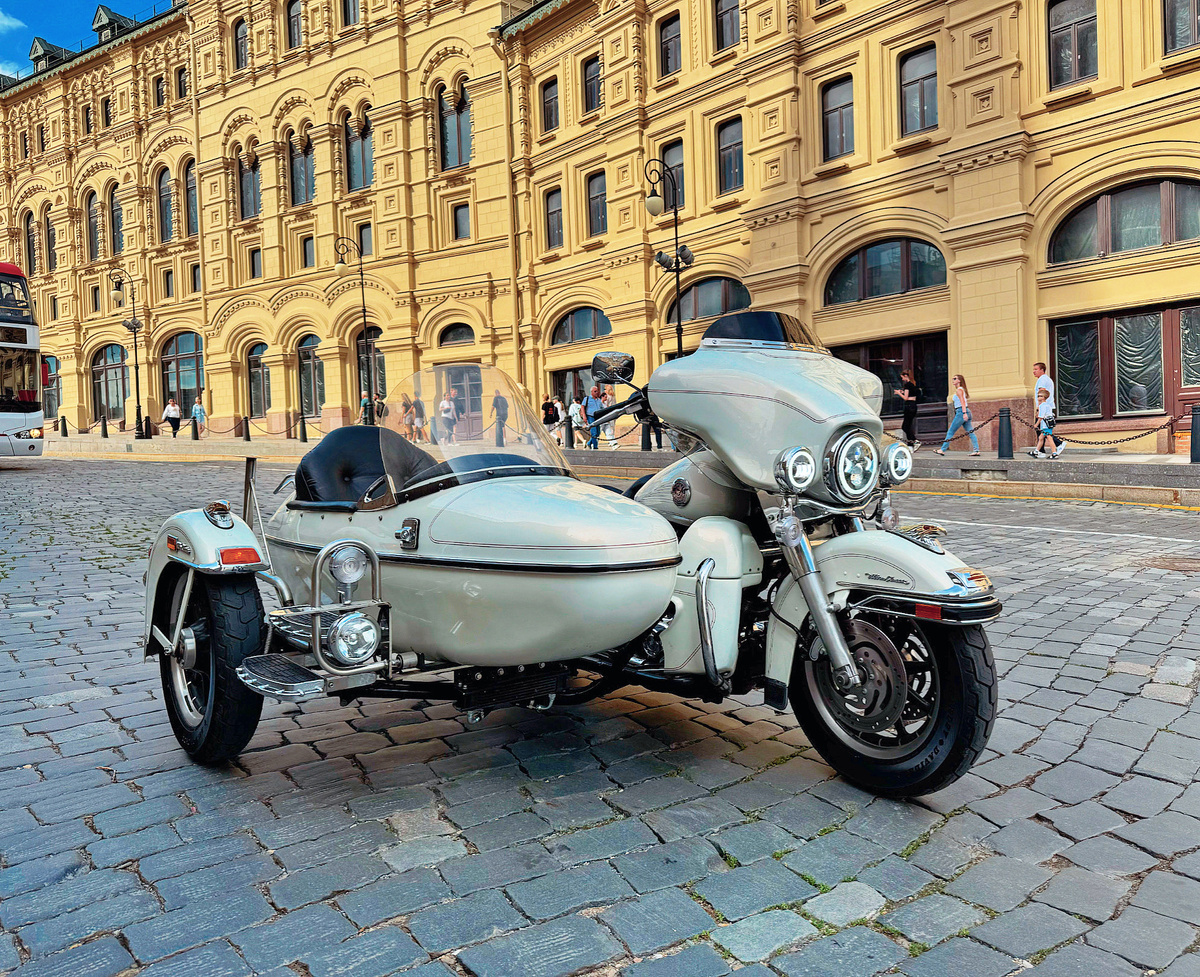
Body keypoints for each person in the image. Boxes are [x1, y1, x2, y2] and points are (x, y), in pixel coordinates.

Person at [935, 374, 979, 456]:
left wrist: (964, 413)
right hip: (966, 411)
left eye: (955, 379)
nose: (953, 380)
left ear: (959, 380)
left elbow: (962, 401)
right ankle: (976, 450)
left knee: (951, 431)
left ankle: (942, 449)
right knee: (970, 432)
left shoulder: (959, 390)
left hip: (961, 412)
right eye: (952, 379)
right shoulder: (962, 389)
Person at [1031, 362, 1063, 458]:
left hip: (1044, 409)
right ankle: (1040, 451)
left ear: (1042, 370)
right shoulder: (1047, 379)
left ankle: (1057, 444)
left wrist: (1038, 409)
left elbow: (1042, 393)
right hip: (1048, 408)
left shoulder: (1042, 380)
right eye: (1034, 369)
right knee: (1042, 433)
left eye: (1036, 369)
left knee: (1044, 431)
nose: (1034, 371)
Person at [895, 369, 921, 451]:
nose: (902, 379)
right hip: (913, 406)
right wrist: (902, 392)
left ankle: (914, 442)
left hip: (909, 406)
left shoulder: (907, 385)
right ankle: (911, 444)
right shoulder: (913, 384)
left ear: (906, 376)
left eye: (902, 377)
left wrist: (899, 393)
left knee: (905, 426)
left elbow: (906, 398)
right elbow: (911, 395)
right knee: (908, 426)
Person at [1033, 387, 1056, 458]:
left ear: (1044, 397)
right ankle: (1036, 451)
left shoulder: (1042, 406)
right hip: (1048, 424)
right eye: (1038, 396)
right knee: (1041, 438)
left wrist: (1036, 424)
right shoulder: (1047, 405)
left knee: (1049, 438)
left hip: (1045, 425)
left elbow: (1041, 417)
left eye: (1040, 396)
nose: (1038, 397)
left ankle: (1054, 453)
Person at [583, 385, 605, 450]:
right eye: (595, 391)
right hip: (590, 417)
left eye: (597, 391)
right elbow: (582, 407)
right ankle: (595, 447)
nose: (596, 392)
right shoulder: (587, 399)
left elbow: (602, 408)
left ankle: (589, 443)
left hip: (597, 417)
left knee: (598, 433)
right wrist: (584, 416)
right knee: (594, 432)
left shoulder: (598, 400)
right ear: (591, 392)